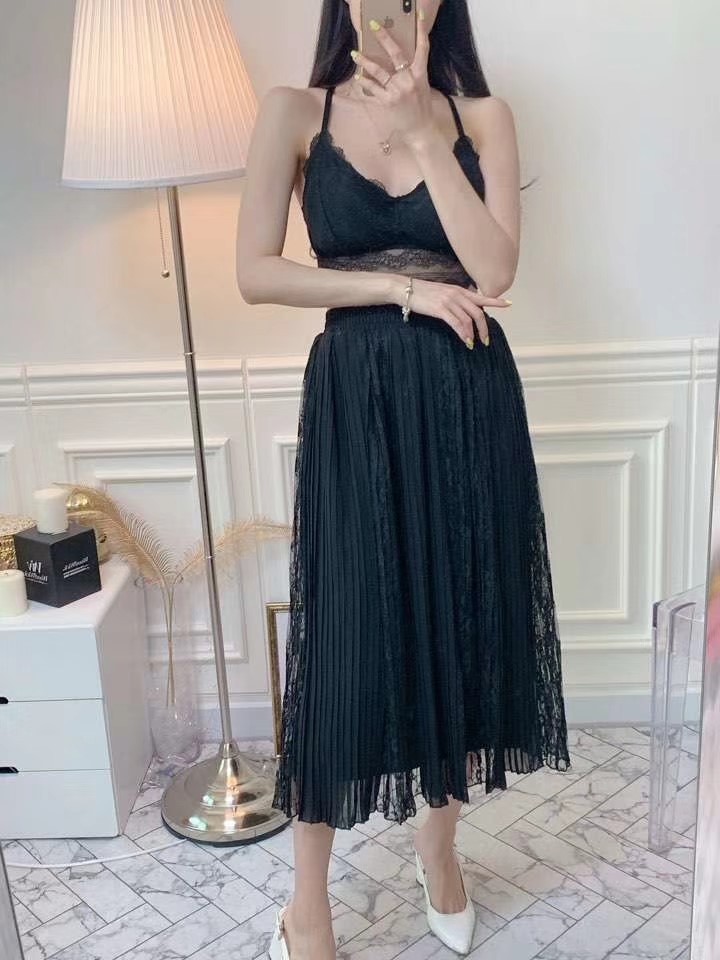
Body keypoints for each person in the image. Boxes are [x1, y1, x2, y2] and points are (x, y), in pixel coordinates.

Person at [236, 1, 571, 956]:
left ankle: (439, 848)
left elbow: (496, 265)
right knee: (343, 645)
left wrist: (428, 136)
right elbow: (256, 273)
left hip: (466, 395)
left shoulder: (484, 118)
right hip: (357, 397)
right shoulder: (293, 110)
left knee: (460, 622)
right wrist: (398, 287)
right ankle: (307, 902)